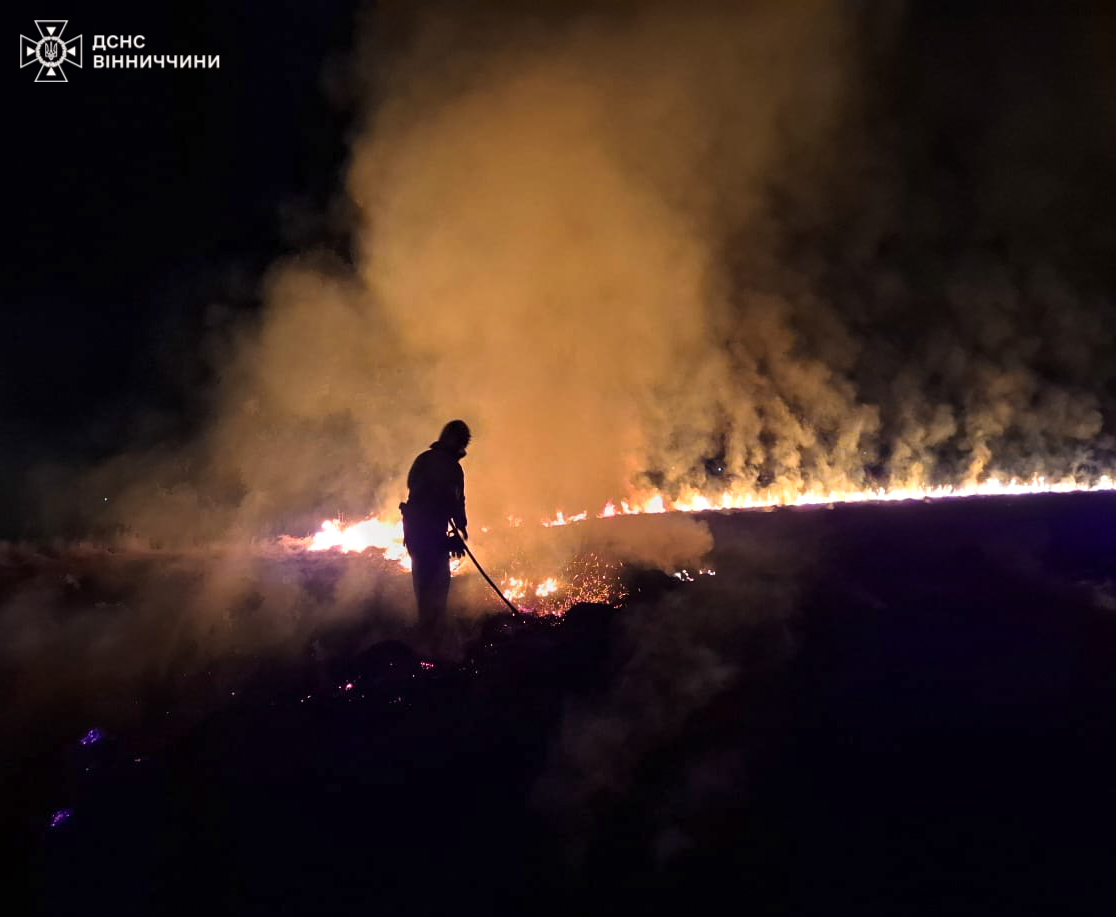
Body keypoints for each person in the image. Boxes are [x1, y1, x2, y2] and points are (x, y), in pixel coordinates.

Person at [399, 420, 470, 640]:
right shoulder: (451, 467)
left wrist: (458, 528)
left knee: (423, 583)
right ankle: (433, 637)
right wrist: (459, 528)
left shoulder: (423, 459)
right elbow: (455, 501)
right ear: (456, 442)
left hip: (415, 534)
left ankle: (426, 630)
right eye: (462, 442)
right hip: (430, 535)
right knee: (437, 584)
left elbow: (415, 490)